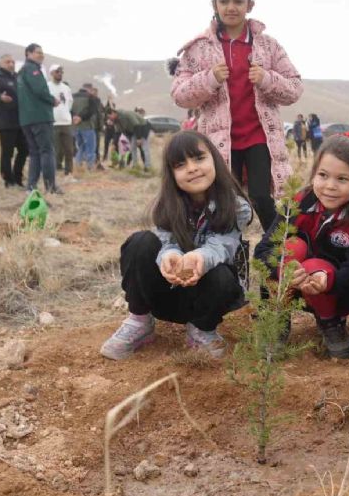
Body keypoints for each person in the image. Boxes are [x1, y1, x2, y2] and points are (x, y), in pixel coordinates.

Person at [171, 0, 303, 232]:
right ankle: (230, 261)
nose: (231, 7)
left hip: (259, 138)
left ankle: (279, 256)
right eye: (224, 1)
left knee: (262, 198)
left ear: (249, 5)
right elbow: (179, 95)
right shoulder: (198, 49)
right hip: (218, 141)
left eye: (238, 1)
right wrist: (210, 78)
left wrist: (266, 78)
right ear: (214, 4)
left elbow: (295, 88)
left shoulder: (268, 46)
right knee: (224, 203)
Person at [101, 131, 251, 360]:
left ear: (215, 160)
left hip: (209, 298)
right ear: (172, 174)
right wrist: (168, 256)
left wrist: (200, 259)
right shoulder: (167, 206)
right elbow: (164, 241)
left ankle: (202, 330)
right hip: (168, 295)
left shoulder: (235, 206)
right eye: (181, 164)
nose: (192, 168)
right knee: (140, 242)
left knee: (221, 273)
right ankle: (140, 321)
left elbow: (224, 245)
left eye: (199, 158)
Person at [254, 136, 349, 358]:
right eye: (323, 175)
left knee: (314, 265)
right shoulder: (298, 203)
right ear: (314, 174)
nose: (330, 186)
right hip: (292, 284)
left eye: (342, 179)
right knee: (292, 246)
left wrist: (327, 280)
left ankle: (331, 323)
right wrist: (284, 271)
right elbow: (263, 249)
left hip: (336, 291)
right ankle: (276, 319)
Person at [17, 43, 62, 194]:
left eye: (42, 52)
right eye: (37, 52)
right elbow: (39, 90)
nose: (41, 55)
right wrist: (52, 100)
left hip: (26, 119)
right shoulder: (32, 69)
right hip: (39, 117)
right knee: (47, 151)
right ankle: (50, 187)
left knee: (35, 152)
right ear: (28, 54)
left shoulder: (21, 72)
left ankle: (31, 186)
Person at [0, 54, 28, 187]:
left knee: (24, 149)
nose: (11, 64)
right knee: (7, 152)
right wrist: (0, 97)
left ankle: (18, 177)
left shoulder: (17, 77)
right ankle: (8, 180)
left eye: (12, 62)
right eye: (7, 62)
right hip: (5, 120)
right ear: (1, 63)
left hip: (20, 120)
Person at [46, 64, 75, 177]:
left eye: (61, 72)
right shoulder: (47, 86)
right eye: (58, 72)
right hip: (53, 122)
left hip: (66, 122)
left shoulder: (66, 88)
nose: (60, 74)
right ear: (52, 73)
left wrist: (65, 112)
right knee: (55, 151)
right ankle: (52, 174)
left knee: (69, 150)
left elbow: (70, 103)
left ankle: (69, 173)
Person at [71, 83, 101, 173]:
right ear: (89, 89)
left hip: (75, 127)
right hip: (87, 126)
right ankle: (90, 168)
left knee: (81, 147)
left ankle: (77, 165)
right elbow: (92, 111)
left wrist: (74, 117)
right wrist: (81, 118)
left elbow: (69, 109)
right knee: (90, 148)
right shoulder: (90, 97)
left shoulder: (72, 96)